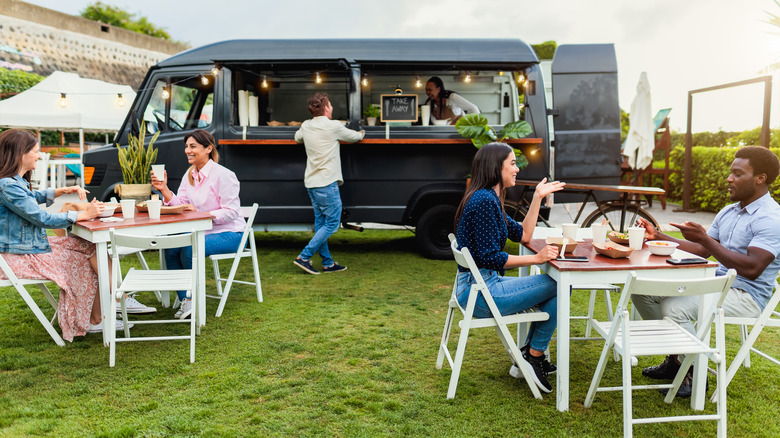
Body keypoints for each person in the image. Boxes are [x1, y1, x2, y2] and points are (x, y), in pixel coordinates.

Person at [634, 146, 780, 397]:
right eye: (730, 173)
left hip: (746, 295)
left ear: (760, 178)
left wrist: (708, 240)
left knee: (675, 308)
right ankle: (678, 360)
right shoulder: (730, 211)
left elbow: (753, 268)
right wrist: (656, 235)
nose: (728, 178)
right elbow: (701, 251)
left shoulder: (770, 218)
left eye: (737, 173)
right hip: (716, 282)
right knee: (643, 292)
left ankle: (696, 374)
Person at [454, 142, 565, 393]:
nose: (517, 169)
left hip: (480, 285)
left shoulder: (489, 197)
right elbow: (490, 258)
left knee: (559, 285)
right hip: (482, 293)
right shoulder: (484, 201)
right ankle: (533, 355)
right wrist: (536, 259)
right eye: (512, 163)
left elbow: (524, 235)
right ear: (496, 167)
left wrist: (537, 197)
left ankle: (530, 354)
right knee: (560, 284)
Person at [0, 129, 130, 339]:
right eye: (36, 151)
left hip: (29, 246)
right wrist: (83, 214)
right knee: (82, 259)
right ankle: (101, 311)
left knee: (91, 247)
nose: (40, 155)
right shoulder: (7, 186)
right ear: (19, 154)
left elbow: (31, 197)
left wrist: (60, 191)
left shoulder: (14, 183)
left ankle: (107, 304)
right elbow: (41, 218)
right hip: (17, 257)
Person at [151, 129, 245, 319]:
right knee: (170, 247)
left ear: (209, 148)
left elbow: (232, 211)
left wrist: (203, 215)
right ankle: (187, 300)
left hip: (230, 233)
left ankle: (192, 300)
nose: (187, 150)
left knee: (188, 249)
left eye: (193, 146)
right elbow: (183, 206)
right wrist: (165, 190)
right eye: (186, 146)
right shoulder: (190, 175)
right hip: (201, 231)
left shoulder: (224, 175)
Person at [292, 92, 364, 274]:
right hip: (327, 183)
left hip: (312, 183)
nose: (332, 108)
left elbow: (297, 138)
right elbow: (355, 137)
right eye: (330, 105)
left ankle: (328, 263)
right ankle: (304, 256)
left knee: (321, 224)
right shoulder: (333, 126)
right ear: (326, 108)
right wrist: (363, 131)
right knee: (332, 223)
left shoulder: (306, 125)